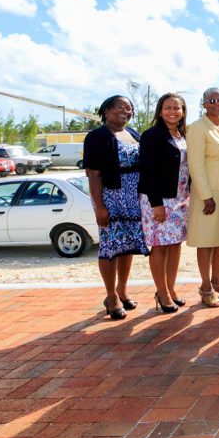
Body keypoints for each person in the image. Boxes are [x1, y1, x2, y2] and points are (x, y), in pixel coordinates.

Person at [84, 95, 146, 320]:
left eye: (128, 108)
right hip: (110, 197)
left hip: (133, 197)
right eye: (118, 107)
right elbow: (93, 174)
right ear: (106, 110)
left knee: (127, 245)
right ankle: (111, 296)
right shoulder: (97, 136)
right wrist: (100, 207)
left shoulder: (133, 134)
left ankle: (122, 289)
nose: (124, 111)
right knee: (110, 246)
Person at [186, 87, 219, 308]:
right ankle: (206, 287)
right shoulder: (197, 128)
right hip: (208, 194)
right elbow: (195, 164)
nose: (217, 104)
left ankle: (218, 282)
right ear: (204, 103)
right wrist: (206, 195)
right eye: (212, 100)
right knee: (206, 241)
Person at [138, 93, 190, 314]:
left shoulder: (183, 134)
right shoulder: (151, 136)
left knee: (175, 244)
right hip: (159, 199)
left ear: (183, 112)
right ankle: (162, 292)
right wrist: (156, 203)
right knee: (159, 245)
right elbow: (147, 171)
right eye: (168, 107)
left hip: (180, 198)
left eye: (177, 108)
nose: (172, 112)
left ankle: (171, 288)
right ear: (160, 111)